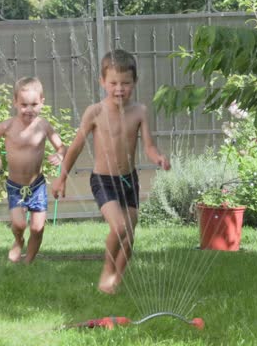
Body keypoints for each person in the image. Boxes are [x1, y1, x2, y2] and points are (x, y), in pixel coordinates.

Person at [52, 49, 170, 294]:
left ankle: (116, 278)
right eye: (113, 83)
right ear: (102, 82)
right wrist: (62, 178)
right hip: (103, 180)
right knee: (118, 227)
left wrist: (158, 158)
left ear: (134, 83)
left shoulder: (140, 111)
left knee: (129, 234)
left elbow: (148, 145)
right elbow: (75, 147)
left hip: (128, 180)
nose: (119, 89)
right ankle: (107, 268)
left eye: (125, 83)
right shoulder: (95, 112)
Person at [0, 77, 66, 264]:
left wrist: (60, 154)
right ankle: (18, 240)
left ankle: (28, 262)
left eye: (34, 104)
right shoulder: (9, 125)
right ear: (15, 103)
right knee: (19, 224)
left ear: (42, 102)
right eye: (24, 105)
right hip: (15, 186)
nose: (29, 109)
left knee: (37, 228)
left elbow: (61, 146)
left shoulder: (44, 126)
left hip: (37, 186)